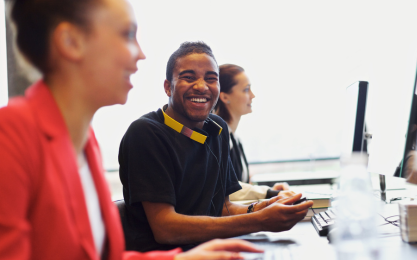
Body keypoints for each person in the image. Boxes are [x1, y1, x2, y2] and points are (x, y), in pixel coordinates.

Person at [0, 0, 263, 259]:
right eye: (127, 35)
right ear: (71, 42)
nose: (140, 53)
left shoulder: (84, 142)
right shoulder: (11, 137)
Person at [118, 41, 314, 252]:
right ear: (168, 87)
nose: (201, 86)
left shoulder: (217, 128)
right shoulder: (146, 133)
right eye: (188, 77)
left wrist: (263, 207)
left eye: (211, 79)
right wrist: (259, 220)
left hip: (207, 250)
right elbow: (166, 228)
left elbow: (223, 208)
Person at [214, 64, 295, 200]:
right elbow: (227, 189)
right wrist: (268, 193)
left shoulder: (235, 138)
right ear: (224, 96)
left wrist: (271, 191)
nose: (252, 95)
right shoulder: (216, 139)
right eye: (246, 90)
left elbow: (241, 187)